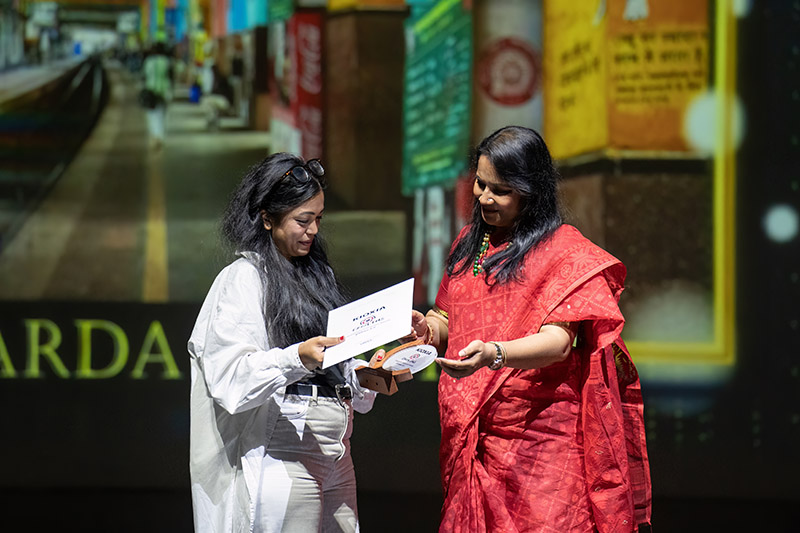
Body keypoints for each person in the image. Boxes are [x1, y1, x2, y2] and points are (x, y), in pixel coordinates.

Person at [410, 126, 652, 532]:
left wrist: (494, 354)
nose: (484, 198)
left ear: (531, 191)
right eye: (480, 184)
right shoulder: (470, 243)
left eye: (500, 190)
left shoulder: (564, 253)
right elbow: (448, 317)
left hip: (542, 446)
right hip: (476, 440)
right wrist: (428, 329)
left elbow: (558, 343)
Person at [188, 153, 377, 532]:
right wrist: (297, 358)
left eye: (318, 219)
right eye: (302, 221)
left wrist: (365, 375)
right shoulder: (244, 278)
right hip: (284, 448)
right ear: (267, 218)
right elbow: (232, 378)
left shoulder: (317, 276)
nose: (312, 231)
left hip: (336, 451)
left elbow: (333, 359)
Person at [141, 41, 173, 148]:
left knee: (152, 115)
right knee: (162, 115)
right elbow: (171, 76)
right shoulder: (167, 61)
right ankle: (160, 136)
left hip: (151, 90)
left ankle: (155, 136)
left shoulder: (148, 61)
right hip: (164, 90)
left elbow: (144, 76)